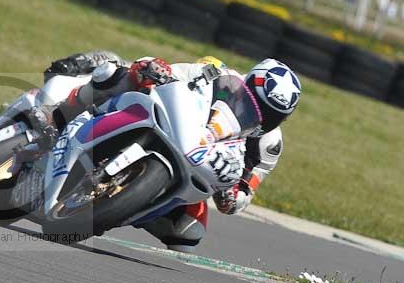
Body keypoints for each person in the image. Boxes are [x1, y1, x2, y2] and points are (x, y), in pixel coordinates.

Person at [35, 52, 301, 252]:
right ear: (246, 84)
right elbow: (175, 74)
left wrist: (232, 195)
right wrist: (154, 69)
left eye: (272, 115)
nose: (262, 116)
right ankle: (59, 115)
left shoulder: (268, 145)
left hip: (195, 166)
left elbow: (246, 191)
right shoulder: (217, 73)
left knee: (187, 234)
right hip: (171, 123)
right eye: (257, 104)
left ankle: (114, 209)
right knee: (118, 74)